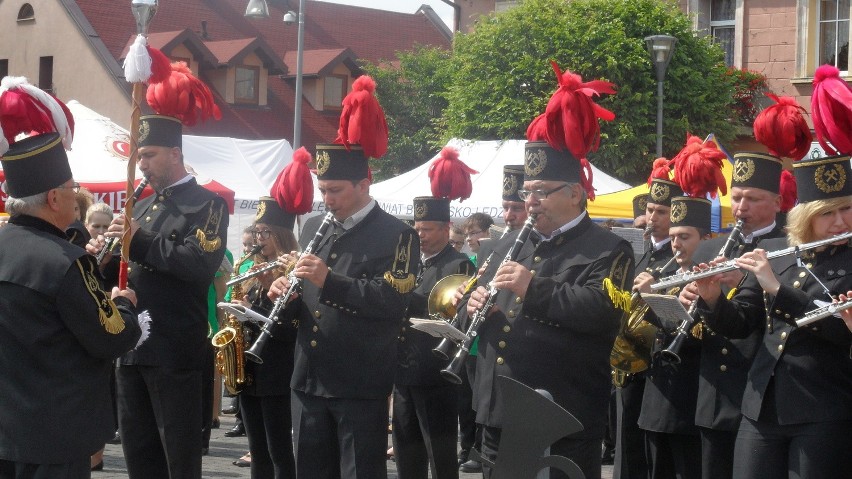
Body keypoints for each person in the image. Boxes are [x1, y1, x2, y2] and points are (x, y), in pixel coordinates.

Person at [269, 76, 419, 479]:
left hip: (359, 381)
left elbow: (392, 302)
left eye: (335, 190)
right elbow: (307, 293)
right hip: (308, 377)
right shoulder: (316, 224)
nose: (326, 199)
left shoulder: (399, 234)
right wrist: (286, 291)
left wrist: (328, 280)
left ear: (363, 183)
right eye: (322, 189)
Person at [465, 138, 634, 478]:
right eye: (527, 192)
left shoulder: (610, 249)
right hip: (499, 407)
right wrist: (470, 306)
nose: (530, 202)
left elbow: (602, 311)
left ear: (574, 194)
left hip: (562, 413)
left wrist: (533, 287)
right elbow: (478, 303)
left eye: (541, 192)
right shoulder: (504, 246)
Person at [88, 91, 228, 476]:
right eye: (139, 157)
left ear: (174, 154)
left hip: (174, 349)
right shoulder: (144, 207)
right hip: (131, 349)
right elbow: (114, 274)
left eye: (148, 155)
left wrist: (140, 240)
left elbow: (200, 265)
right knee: (139, 455)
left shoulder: (208, 205)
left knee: (178, 458)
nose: (142, 164)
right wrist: (100, 256)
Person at [689, 153, 852, 478]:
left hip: (822, 408)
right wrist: (711, 299)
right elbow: (739, 324)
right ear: (806, 216)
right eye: (827, 213)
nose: (839, 222)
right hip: (761, 406)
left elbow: (839, 332)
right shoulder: (778, 252)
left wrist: (778, 290)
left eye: (846, 209)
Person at [0, 132, 141, 478]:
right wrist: (124, 306)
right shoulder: (66, 261)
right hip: (52, 438)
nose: (76, 196)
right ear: (52, 198)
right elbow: (112, 336)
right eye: (71, 188)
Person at [688, 152, 790, 479]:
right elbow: (696, 324)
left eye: (753, 198)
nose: (741, 207)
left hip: (760, 393)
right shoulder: (708, 250)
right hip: (713, 396)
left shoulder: (789, 247)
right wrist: (687, 300)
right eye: (737, 197)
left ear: (776, 202)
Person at [394, 190, 475, 479]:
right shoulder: (409, 261)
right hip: (403, 368)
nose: (420, 235)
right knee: (405, 448)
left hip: (435, 370)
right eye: (417, 229)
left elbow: (464, 316)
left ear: (445, 228)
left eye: (427, 229)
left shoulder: (460, 264)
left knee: (439, 453)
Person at [635, 194, 711, 479]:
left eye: (685, 237)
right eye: (674, 237)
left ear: (706, 239)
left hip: (689, 405)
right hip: (655, 402)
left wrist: (653, 300)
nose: (676, 244)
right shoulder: (664, 274)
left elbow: (696, 334)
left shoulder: (710, 280)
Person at [612, 171, 681, 479]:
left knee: (650, 451)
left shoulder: (678, 257)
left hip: (659, 361)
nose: (652, 217)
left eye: (661, 212)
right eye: (650, 209)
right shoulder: (642, 252)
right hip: (631, 360)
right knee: (627, 443)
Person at [235, 197, 301, 479]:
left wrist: (259, 302)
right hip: (249, 370)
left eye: (265, 232)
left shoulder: (294, 271)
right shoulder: (252, 269)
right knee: (257, 449)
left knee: (279, 449)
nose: (259, 239)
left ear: (282, 235)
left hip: (277, 369)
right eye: (257, 232)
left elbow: (291, 328)